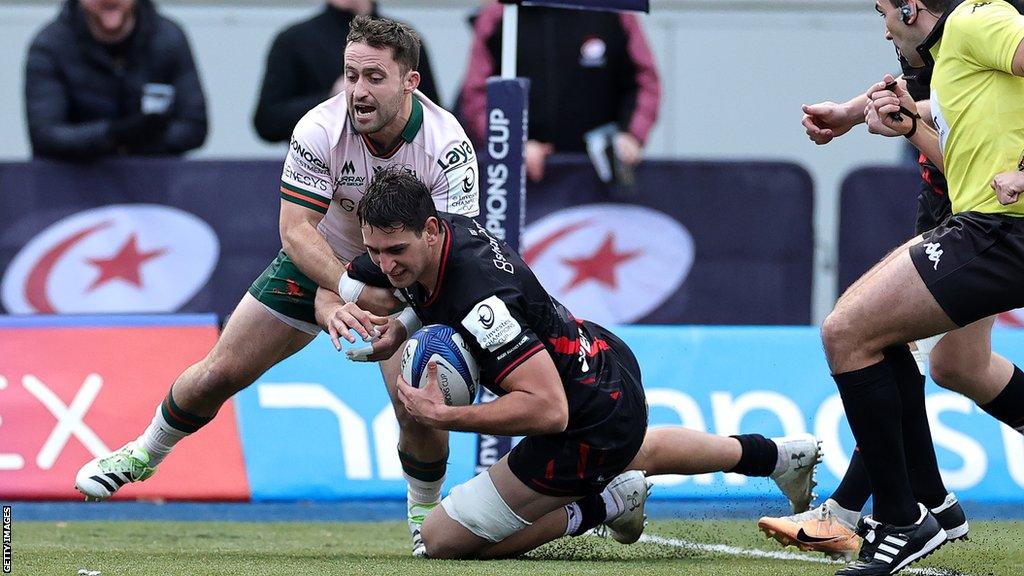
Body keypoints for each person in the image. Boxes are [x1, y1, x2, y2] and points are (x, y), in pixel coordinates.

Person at [74, 15, 479, 557]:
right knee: (218, 372)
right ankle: (143, 454)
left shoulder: (448, 146)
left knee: (414, 401)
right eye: (351, 75)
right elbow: (294, 231)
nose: (358, 91)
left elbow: (447, 256)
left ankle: (425, 515)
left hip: (406, 273)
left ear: (411, 82)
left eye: (375, 78)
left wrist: (402, 320)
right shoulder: (318, 127)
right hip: (320, 258)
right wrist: (342, 294)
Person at [317, 165, 823, 560]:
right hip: (601, 368)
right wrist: (397, 332)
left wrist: (445, 417)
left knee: (440, 540)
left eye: (395, 251)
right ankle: (776, 455)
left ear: (430, 229)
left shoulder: (484, 301)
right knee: (631, 448)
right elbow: (388, 288)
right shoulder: (428, 242)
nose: (385, 265)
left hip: (582, 420)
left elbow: (548, 411)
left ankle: (605, 503)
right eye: (375, 251)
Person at [808, 1, 1024, 574]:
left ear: (912, 8)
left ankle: (900, 517)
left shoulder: (979, 20)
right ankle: (918, 511)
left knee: (850, 332)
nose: (882, 27)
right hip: (985, 223)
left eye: (884, 11)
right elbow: (958, 146)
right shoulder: (954, 52)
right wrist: (893, 119)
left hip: (1004, 229)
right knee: (946, 361)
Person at [457, 2, 660, 183]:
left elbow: (645, 81)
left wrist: (631, 135)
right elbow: (476, 97)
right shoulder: (501, 12)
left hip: (600, 180)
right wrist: (510, 146)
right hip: (524, 182)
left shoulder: (614, 10)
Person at [24, 0, 207, 161]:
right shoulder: (50, 46)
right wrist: (113, 135)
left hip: (156, 181)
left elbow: (194, 127)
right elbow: (46, 135)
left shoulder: (169, 38)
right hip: (75, 185)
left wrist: (141, 138)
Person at [253, 0, 440, 143]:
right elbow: (267, 122)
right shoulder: (293, 41)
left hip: (398, 172)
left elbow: (433, 117)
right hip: (321, 176)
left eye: (375, 77)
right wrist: (331, 99)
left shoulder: (403, 40)